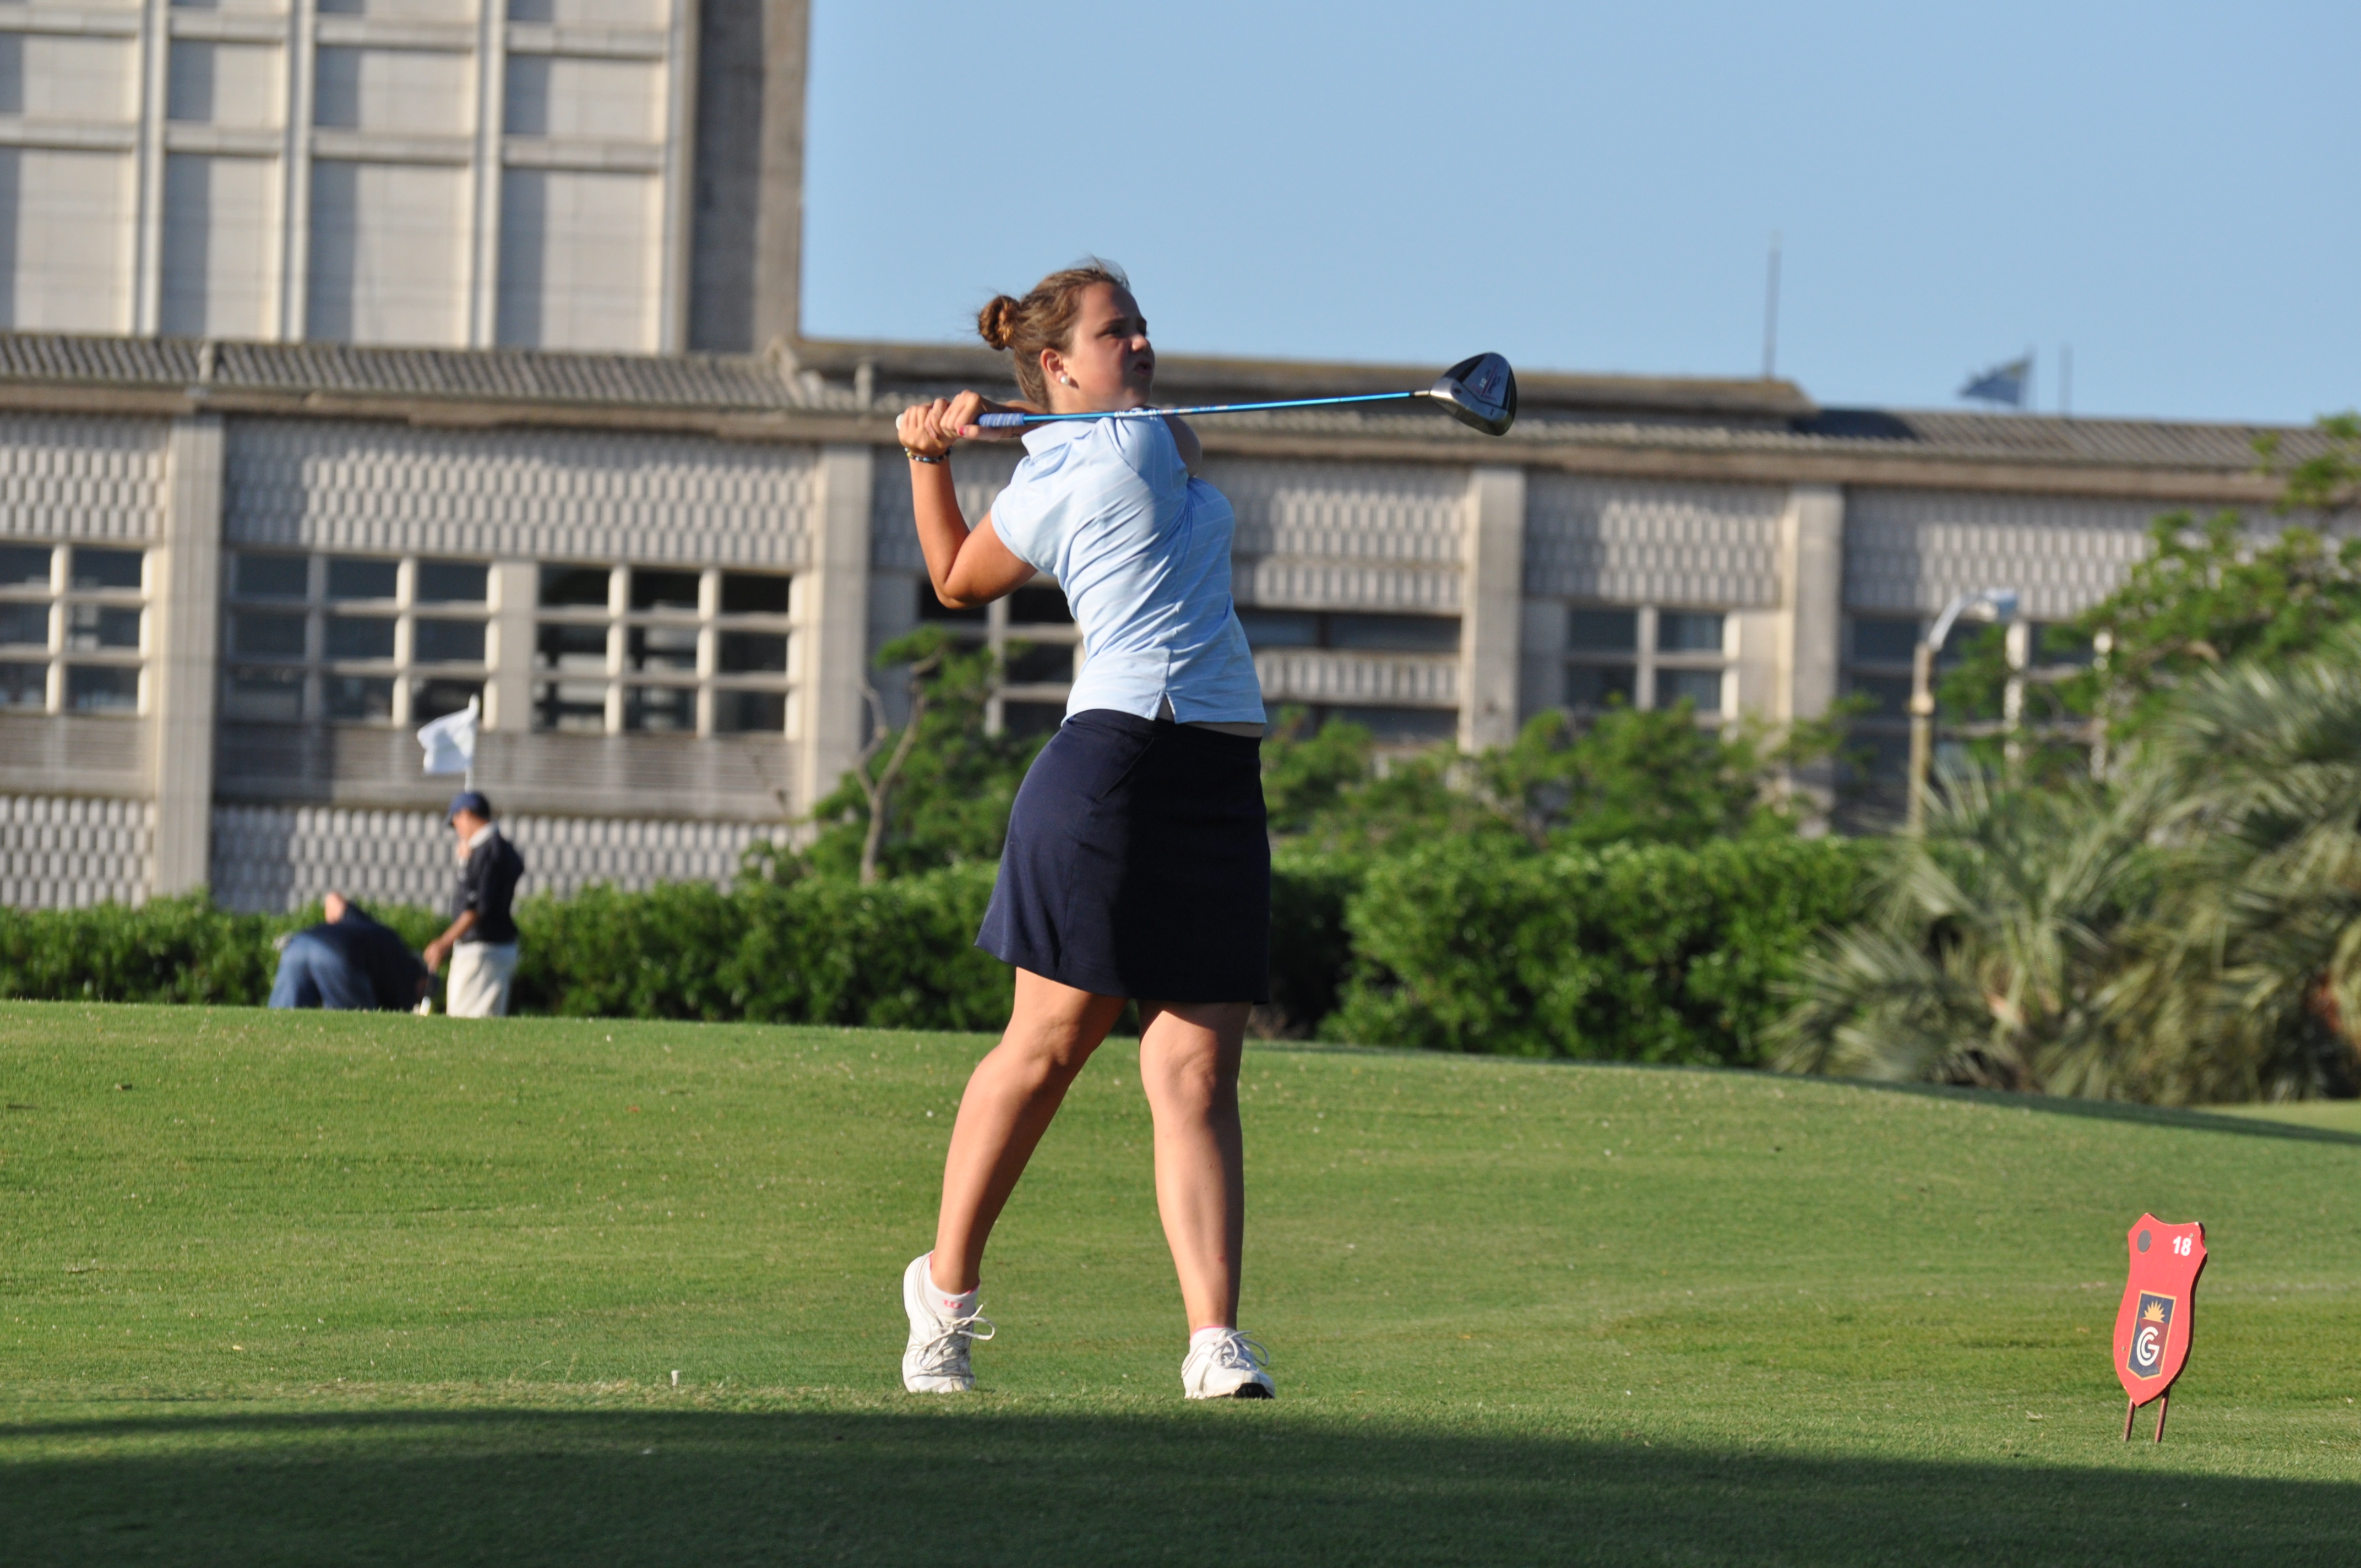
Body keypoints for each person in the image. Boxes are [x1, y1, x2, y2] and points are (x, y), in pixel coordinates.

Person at [891, 262, 1275, 1400]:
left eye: (1145, 326)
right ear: (1056, 361)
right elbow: (958, 579)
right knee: (1050, 1044)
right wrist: (940, 455)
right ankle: (943, 1291)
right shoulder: (1107, 452)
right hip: (1112, 765)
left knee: (1197, 1067)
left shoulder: (1093, 455)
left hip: (1213, 767)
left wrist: (948, 450)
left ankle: (1214, 1338)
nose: (1144, 343)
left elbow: (961, 570)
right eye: (1118, 333)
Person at [422, 790, 525, 1018]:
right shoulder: (504, 849)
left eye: (456, 821)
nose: (457, 829)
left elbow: (477, 906)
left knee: (465, 1021)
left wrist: (444, 942)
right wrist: (465, 864)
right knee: (488, 1020)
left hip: (480, 951)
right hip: (500, 947)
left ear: (466, 814)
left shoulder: (486, 851)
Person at [268, 892, 432, 1011]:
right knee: (352, 1032)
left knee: (280, 1022)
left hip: (299, 944)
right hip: (339, 953)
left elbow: (333, 900)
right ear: (422, 980)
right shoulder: (406, 974)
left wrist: (331, 935)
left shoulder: (369, 927)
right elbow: (397, 1016)